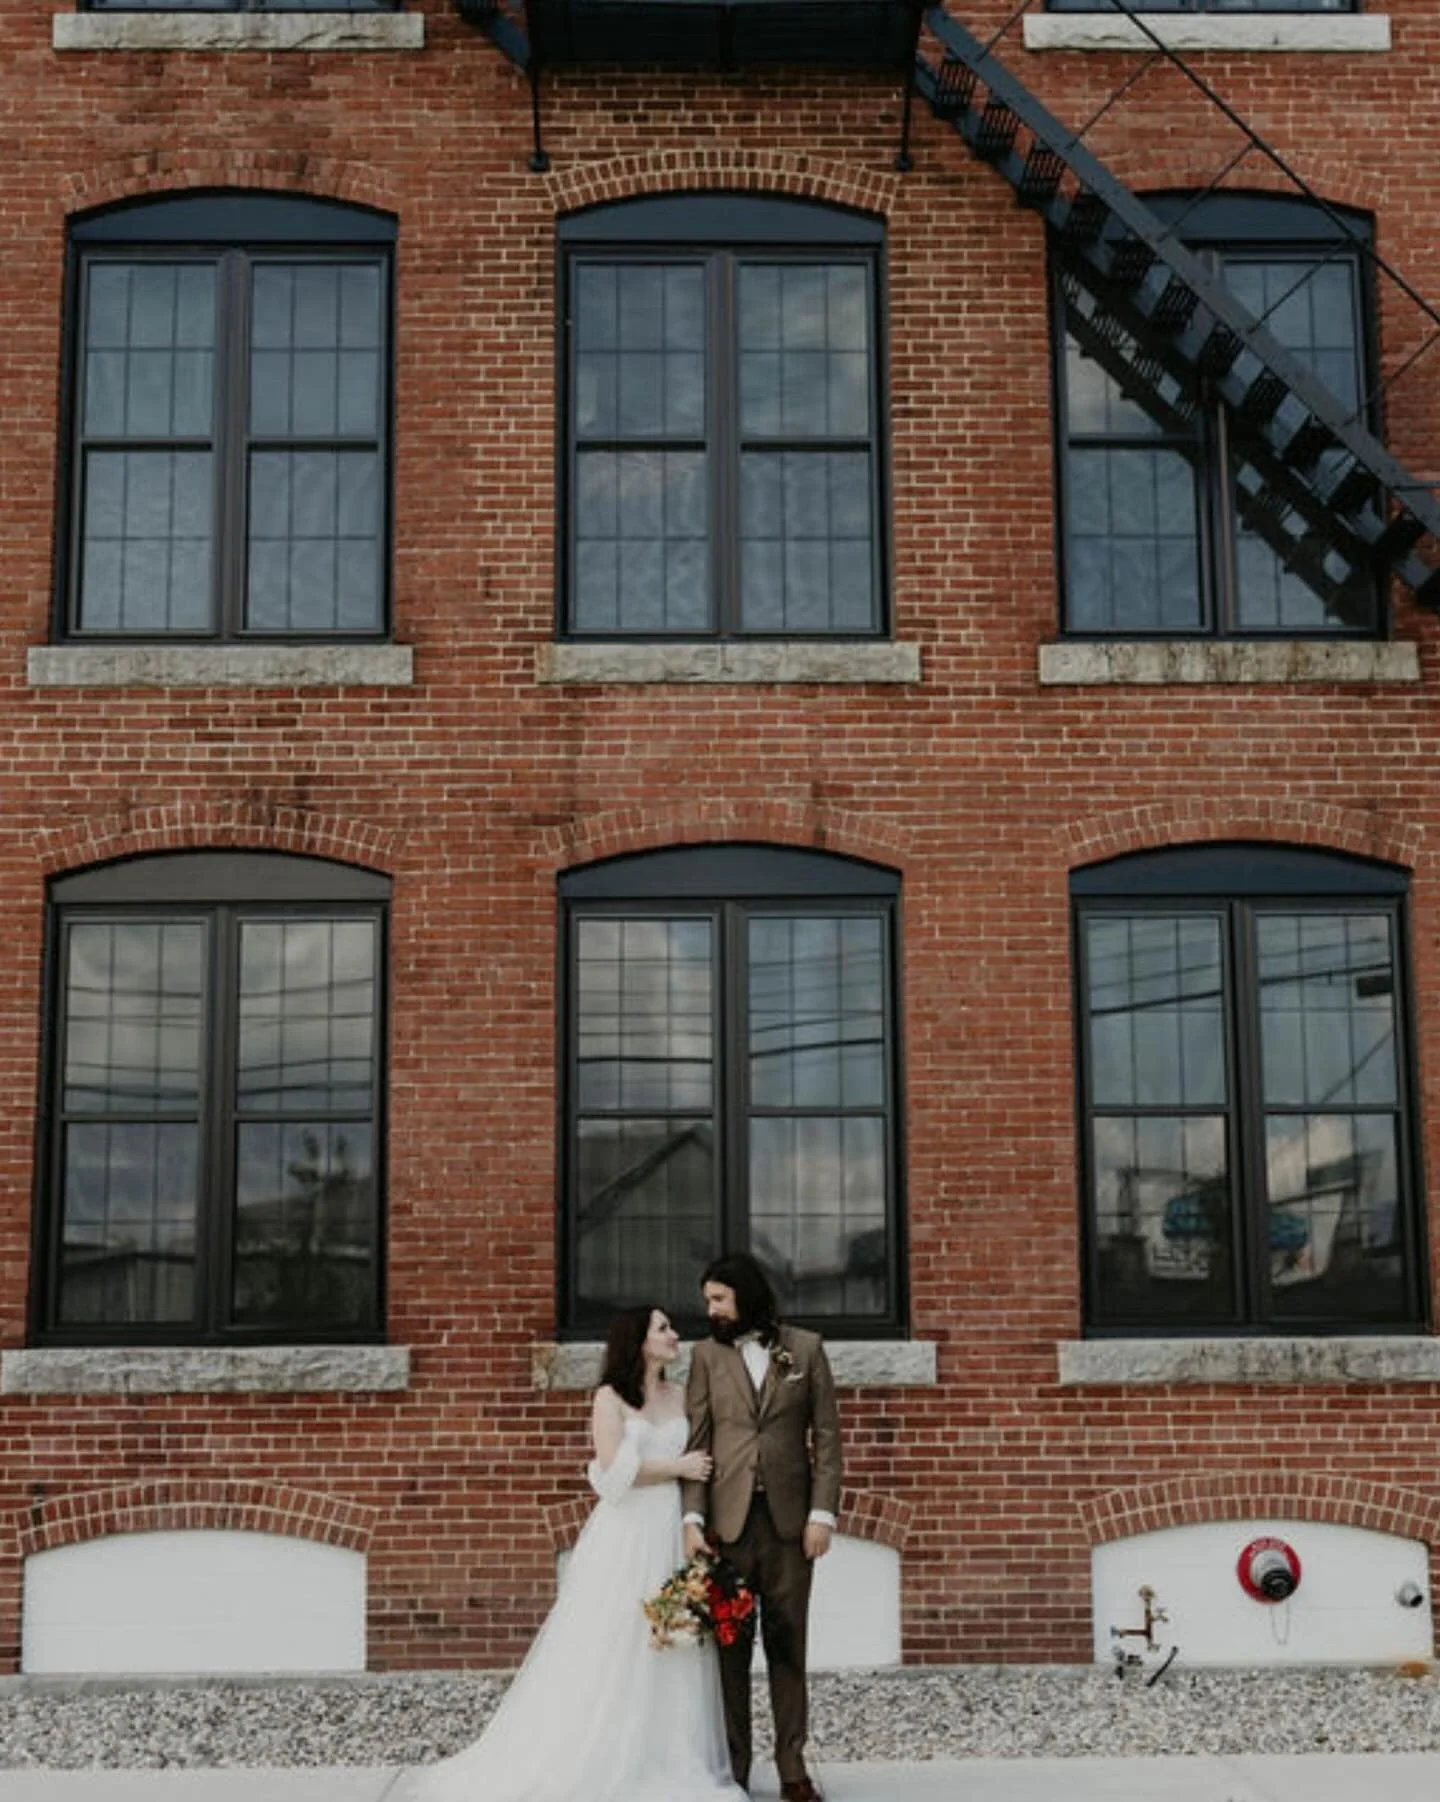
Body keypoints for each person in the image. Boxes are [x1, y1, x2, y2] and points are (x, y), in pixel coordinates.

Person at [408, 1304, 747, 1802]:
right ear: (638, 1340)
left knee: (674, 1637)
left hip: (675, 1528)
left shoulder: (682, 1395)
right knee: (615, 1639)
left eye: (671, 1327)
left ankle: (668, 1754)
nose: (675, 1335)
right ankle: (600, 1750)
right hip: (629, 1531)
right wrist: (677, 1466)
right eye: (663, 1328)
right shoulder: (609, 1399)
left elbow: (706, 1459)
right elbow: (612, 1473)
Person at [682, 1254, 842, 1802]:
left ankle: (793, 1769)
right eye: (708, 1300)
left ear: (745, 1297)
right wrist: (692, 1518)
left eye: (718, 1299)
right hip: (726, 1528)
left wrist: (822, 1515)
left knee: (787, 1645)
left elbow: (826, 1439)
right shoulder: (704, 1356)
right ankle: (735, 1772)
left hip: (789, 1527)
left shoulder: (804, 1349)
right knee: (729, 1654)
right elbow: (697, 1441)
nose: (710, 1310)